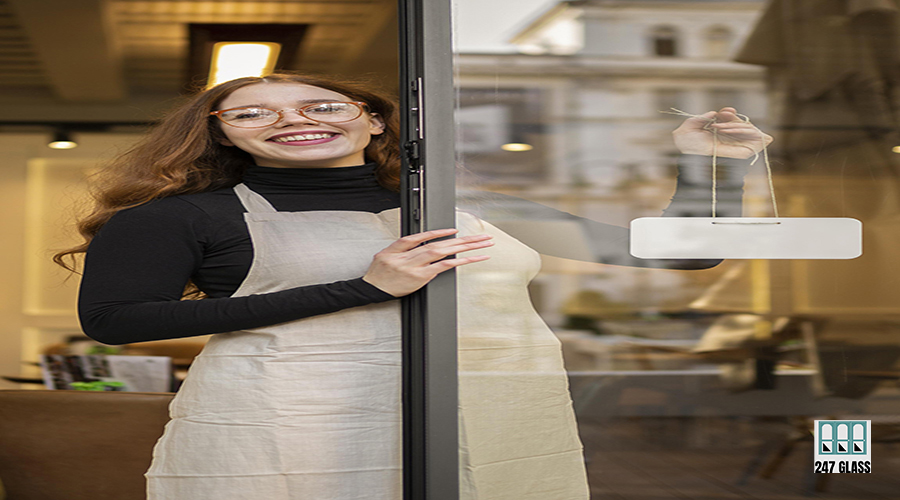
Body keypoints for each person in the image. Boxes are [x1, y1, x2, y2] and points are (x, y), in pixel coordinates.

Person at [56, 72, 771, 500]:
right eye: (254, 112)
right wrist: (365, 286)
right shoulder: (182, 215)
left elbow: (681, 257)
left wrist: (713, 166)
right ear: (223, 135)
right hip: (290, 436)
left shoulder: (468, 206)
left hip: (482, 425)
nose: (293, 120)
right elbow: (116, 320)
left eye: (323, 105)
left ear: (370, 119)